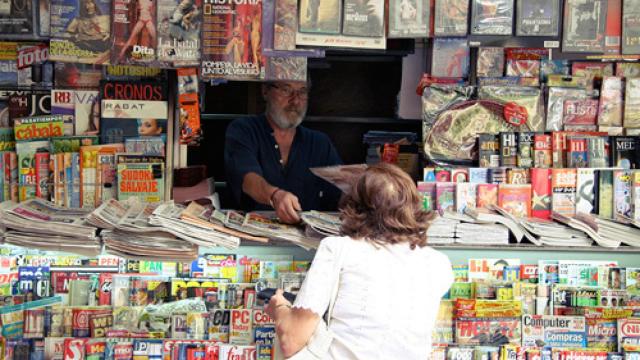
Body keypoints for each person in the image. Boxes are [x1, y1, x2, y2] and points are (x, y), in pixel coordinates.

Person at [265, 163, 454, 359]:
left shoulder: (338, 249)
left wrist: (279, 308)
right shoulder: (439, 263)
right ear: (413, 207)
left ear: (354, 206)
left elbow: (291, 341)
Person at [224, 80, 342, 224]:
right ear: (265, 91)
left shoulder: (320, 142)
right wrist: (275, 195)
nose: (295, 100)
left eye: (302, 91)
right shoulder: (244, 130)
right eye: (286, 90)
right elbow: (248, 179)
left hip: (306, 241)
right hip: (252, 237)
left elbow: (339, 193)